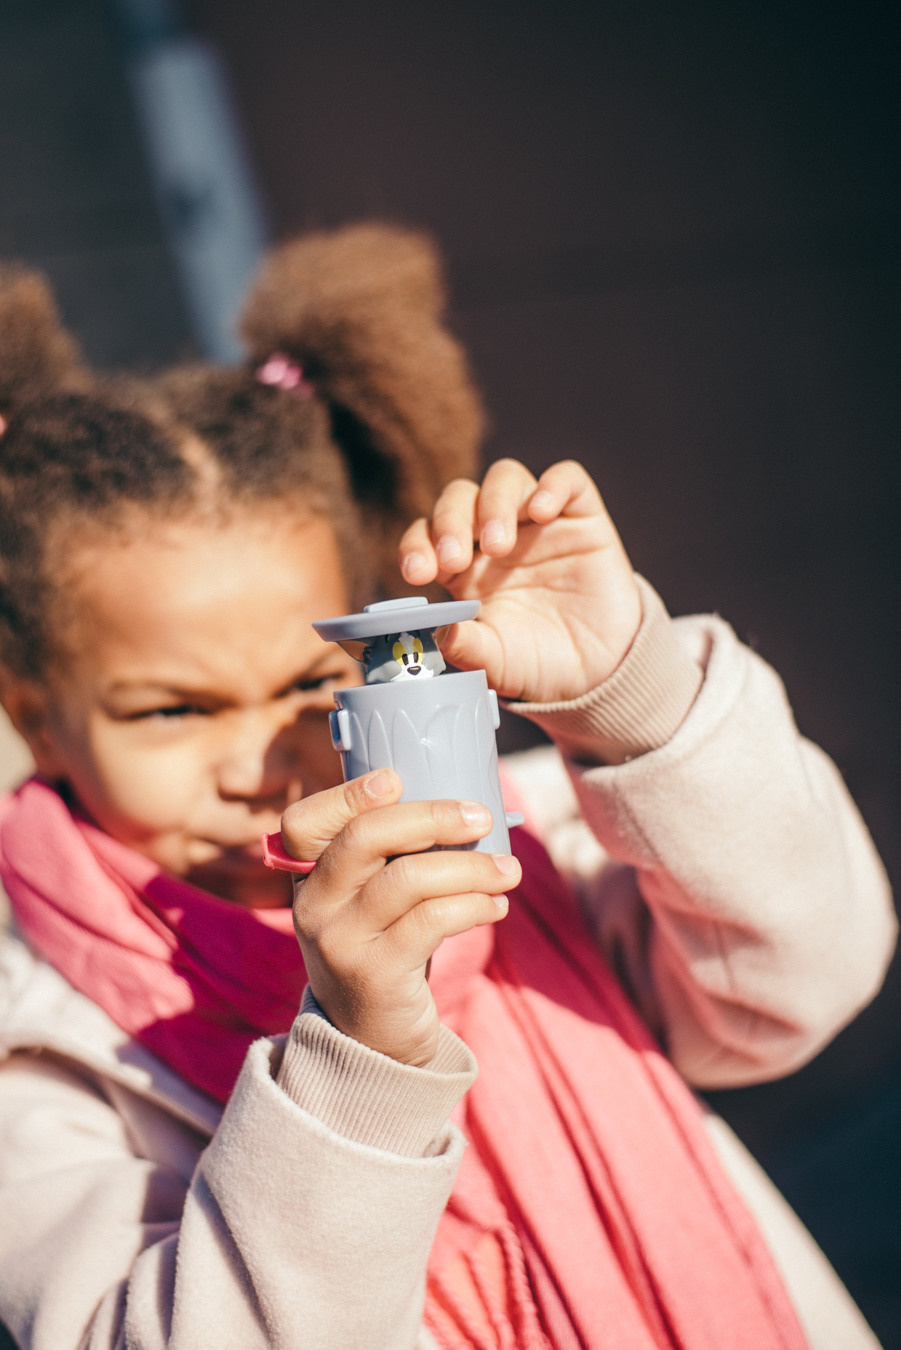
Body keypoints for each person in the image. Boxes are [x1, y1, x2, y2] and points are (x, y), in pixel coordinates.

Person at [0, 222, 893, 1350]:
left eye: (309, 683)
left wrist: (631, 695)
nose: (258, 764)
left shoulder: (537, 855)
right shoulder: (41, 1063)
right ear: (36, 713)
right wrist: (359, 1057)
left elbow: (800, 984)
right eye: (172, 709)